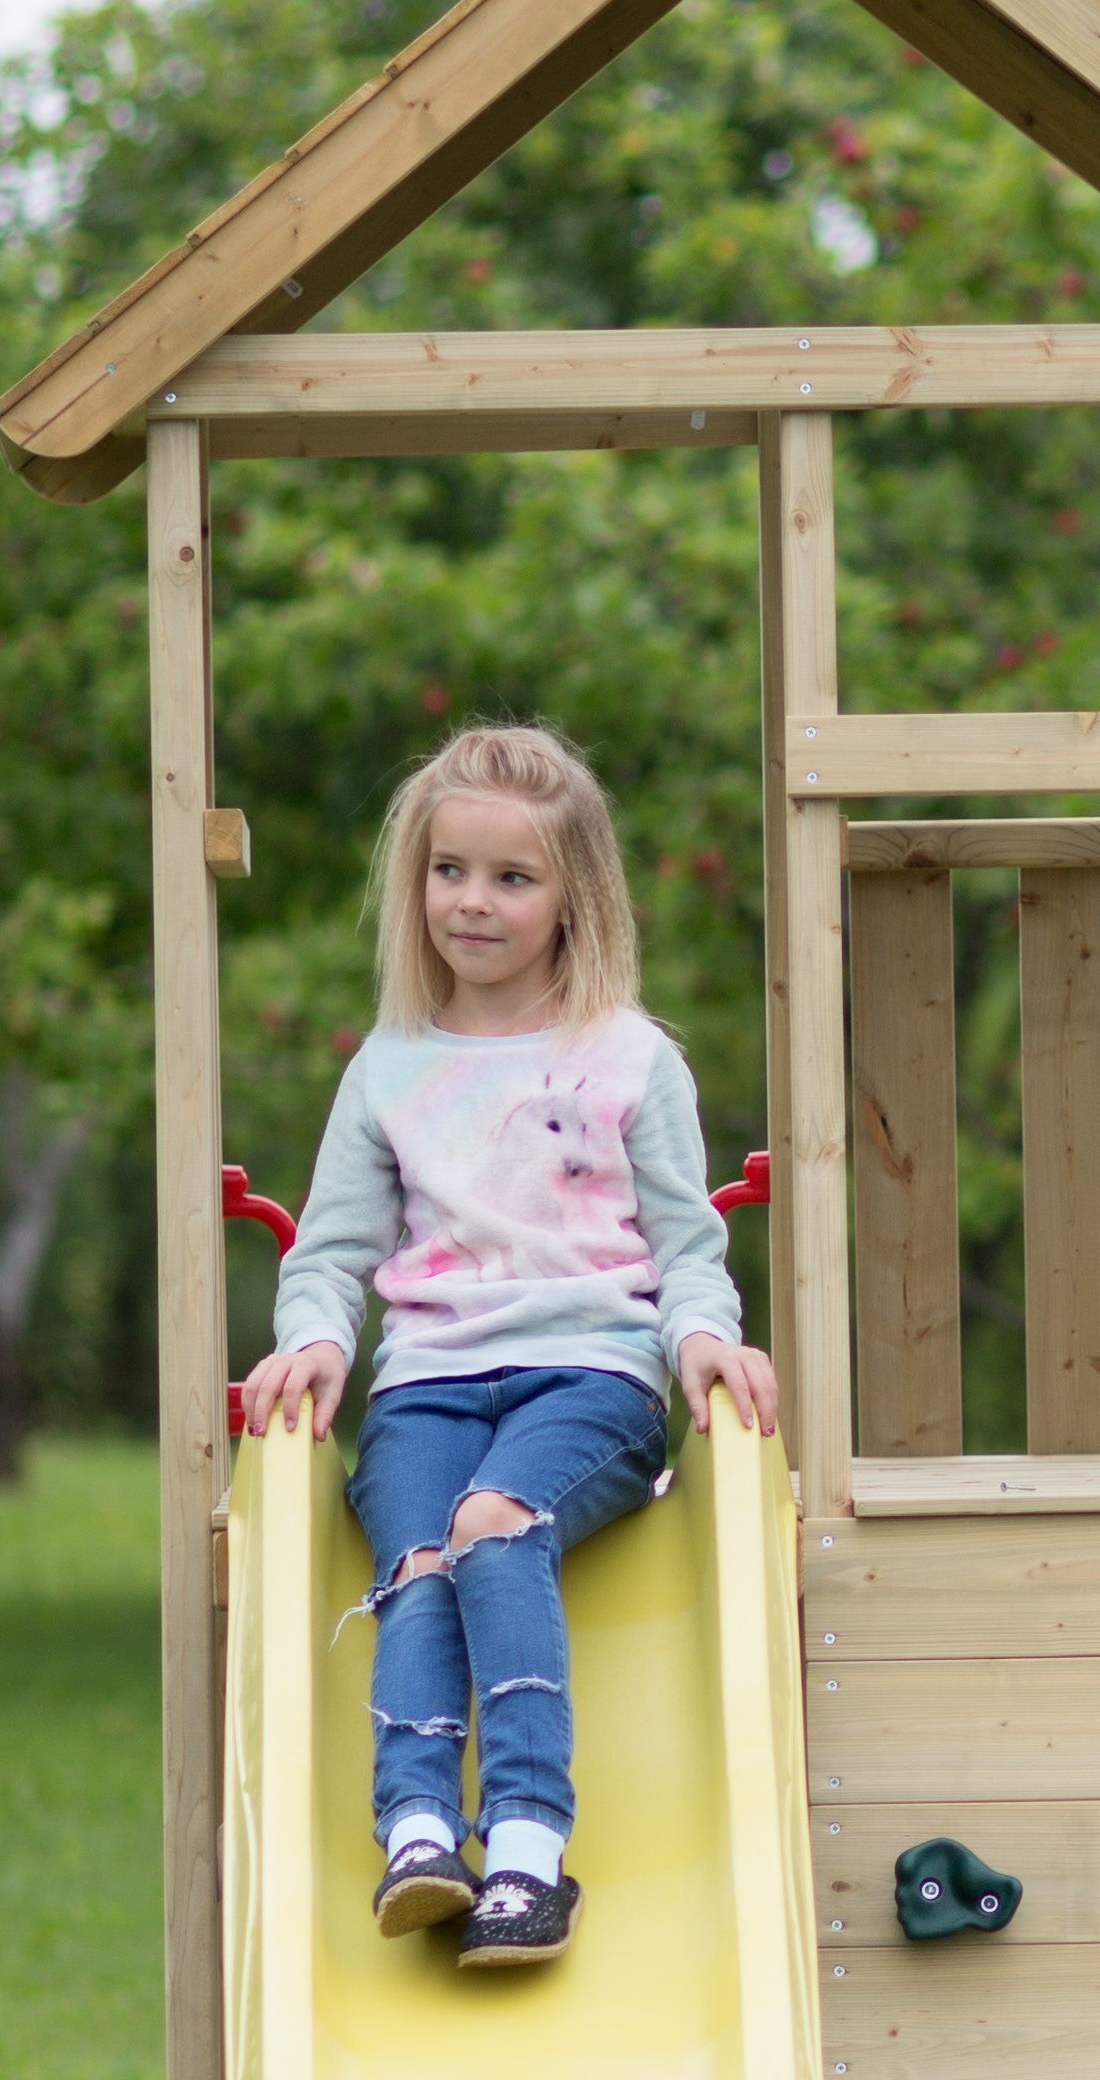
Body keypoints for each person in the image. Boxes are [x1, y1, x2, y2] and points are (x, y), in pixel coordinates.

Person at [232, 723, 779, 1968]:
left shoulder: (630, 1058)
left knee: (492, 1526)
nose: (471, 902)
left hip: (588, 1374)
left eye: (511, 878)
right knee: (420, 1556)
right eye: (448, 871)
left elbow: (686, 1244)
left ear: (572, 897)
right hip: (427, 1385)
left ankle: (528, 1850)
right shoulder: (387, 1069)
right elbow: (330, 1251)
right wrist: (316, 1338)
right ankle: (420, 1834)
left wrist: (702, 1338)